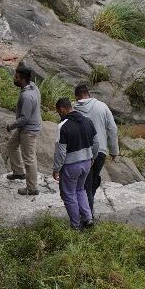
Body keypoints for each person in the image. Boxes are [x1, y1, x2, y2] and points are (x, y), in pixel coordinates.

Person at [52, 96, 97, 230]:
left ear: (62, 109)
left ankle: (75, 225)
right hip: (87, 163)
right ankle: (88, 218)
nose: (59, 115)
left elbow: (60, 152)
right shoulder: (88, 121)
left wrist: (56, 169)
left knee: (69, 194)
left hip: (71, 166)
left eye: (59, 112)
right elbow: (96, 143)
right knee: (80, 189)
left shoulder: (62, 126)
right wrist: (92, 158)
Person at [73, 83, 118, 213]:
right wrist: (114, 150)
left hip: (83, 153)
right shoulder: (102, 106)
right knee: (91, 181)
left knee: (86, 184)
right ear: (88, 93)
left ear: (77, 97)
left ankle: (88, 216)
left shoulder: (74, 110)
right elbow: (112, 129)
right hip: (101, 152)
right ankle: (88, 210)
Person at [4, 64, 41, 196]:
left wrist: (11, 126)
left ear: (22, 79)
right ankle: (19, 172)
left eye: (16, 77)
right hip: (24, 128)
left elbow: (24, 118)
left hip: (28, 130)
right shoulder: (33, 87)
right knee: (12, 146)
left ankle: (32, 188)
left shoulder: (27, 96)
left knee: (29, 158)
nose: (14, 78)